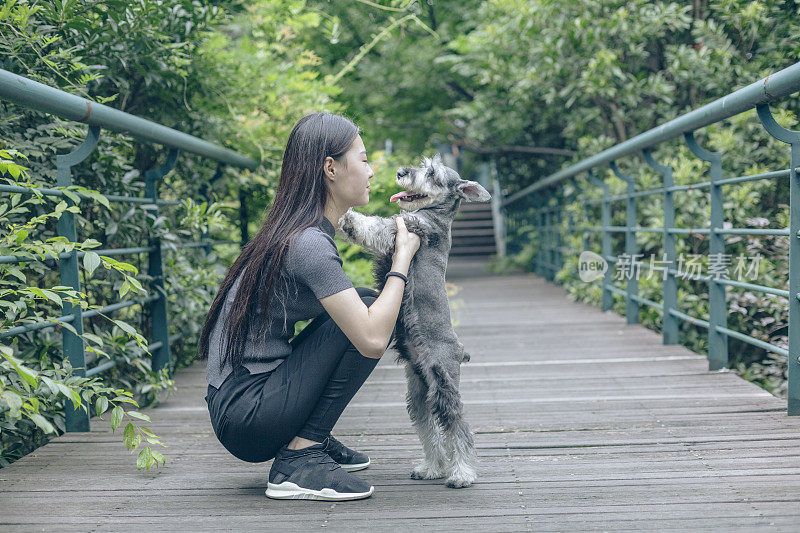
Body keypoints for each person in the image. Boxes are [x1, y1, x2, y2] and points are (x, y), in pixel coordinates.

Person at [199, 112, 421, 501]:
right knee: (370, 312)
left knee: (365, 304)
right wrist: (401, 260)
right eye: (364, 159)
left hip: (241, 402)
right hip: (246, 416)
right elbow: (371, 339)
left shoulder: (297, 231)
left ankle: (305, 434)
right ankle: (300, 457)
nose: (371, 170)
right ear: (330, 168)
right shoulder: (309, 244)